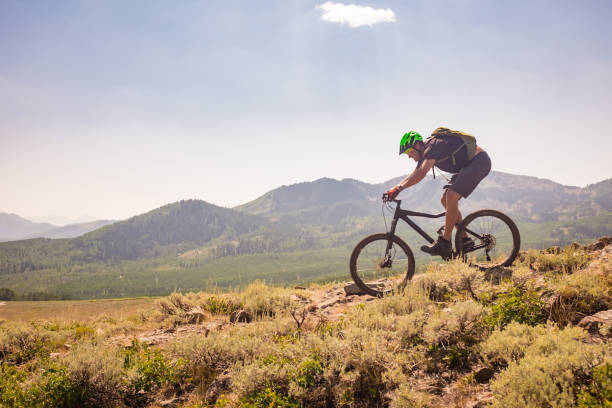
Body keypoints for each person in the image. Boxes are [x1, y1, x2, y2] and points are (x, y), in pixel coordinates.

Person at [382, 128, 491, 259]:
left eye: (409, 152)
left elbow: (421, 173)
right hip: (468, 166)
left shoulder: (433, 145)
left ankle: (445, 243)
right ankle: (465, 240)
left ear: (417, 145)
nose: (409, 156)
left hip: (479, 162)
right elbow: (416, 172)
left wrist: (398, 189)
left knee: (451, 195)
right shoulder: (428, 150)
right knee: (444, 199)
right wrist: (396, 188)